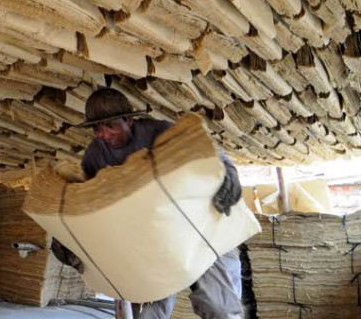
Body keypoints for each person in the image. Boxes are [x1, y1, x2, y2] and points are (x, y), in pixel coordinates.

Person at [50, 87, 244, 319]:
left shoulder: (158, 132)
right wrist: (65, 236)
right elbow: (89, 203)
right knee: (148, 314)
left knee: (219, 308)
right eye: (97, 128)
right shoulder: (95, 156)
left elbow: (204, 148)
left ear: (129, 120)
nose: (104, 134)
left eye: (110, 126)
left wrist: (229, 169)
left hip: (189, 230)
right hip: (148, 242)